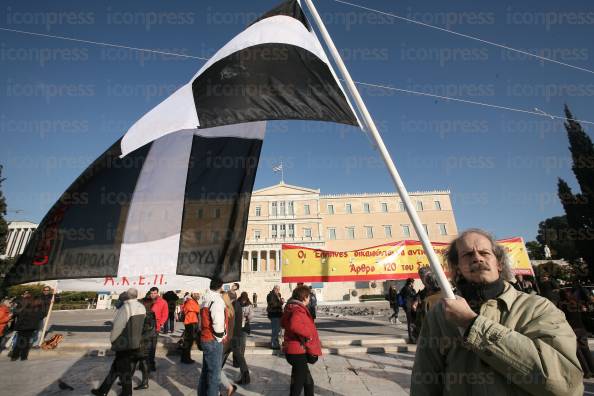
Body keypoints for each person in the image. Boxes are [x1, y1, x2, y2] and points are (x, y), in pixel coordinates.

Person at [411, 228, 583, 396]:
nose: (477, 258)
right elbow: (425, 381)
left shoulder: (537, 308)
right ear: (457, 268)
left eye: (485, 253)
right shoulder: (440, 314)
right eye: (468, 255)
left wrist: (472, 324)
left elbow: (565, 383)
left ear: (499, 264)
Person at [92, 289, 146, 396]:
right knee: (116, 368)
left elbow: (118, 327)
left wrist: (113, 340)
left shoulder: (125, 307)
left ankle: (127, 394)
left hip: (124, 344)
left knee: (124, 370)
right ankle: (103, 390)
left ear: (127, 295)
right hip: (135, 342)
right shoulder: (142, 307)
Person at [281, 285, 322, 396]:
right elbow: (295, 325)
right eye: (309, 296)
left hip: (295, 350)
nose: (309, 299)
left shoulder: (292, 307)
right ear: (304, 297)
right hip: (297, 351)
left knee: (308, 382)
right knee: (298, 385)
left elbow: (285, 323)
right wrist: (309, 334)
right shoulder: (298, 310)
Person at [198, 279, 227, 396]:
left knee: (205, 373)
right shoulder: (217, 300)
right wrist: (220, 337)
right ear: (220, 287)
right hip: (213, 339)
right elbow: (218, 322)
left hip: (205, 337)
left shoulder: (204, 298)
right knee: (214, 376)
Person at [559, 289, 594, 378]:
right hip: (581, 329)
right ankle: (592, 369)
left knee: (578, 352)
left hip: (572, 330)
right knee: (586, 350)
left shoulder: (562, 305)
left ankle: (587, 372)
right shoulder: (577, 303)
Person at [131, 296, 156, 390]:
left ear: (147, 303)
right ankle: (127, 380)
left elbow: (148, 329)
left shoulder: (148, 313)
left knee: (140, 361)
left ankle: (144, 382)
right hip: (143, 340)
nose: (141, 304)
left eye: (143, 302)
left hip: (144, 341)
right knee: (136, 360)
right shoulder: (147, 312)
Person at [232, 291, 253, 385]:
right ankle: (243, 373)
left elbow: (251, 315)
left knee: (240, 348)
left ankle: (245, 376)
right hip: (236, 329)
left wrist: (247, 317)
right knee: (238, 350)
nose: (244, 301)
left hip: (242, 328)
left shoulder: (247, 304)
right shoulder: (237, 304)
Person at [148, 287, 168, 371]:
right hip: (146, 327)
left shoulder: (163, 302)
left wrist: (160, 323)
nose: (153, 295)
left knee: (152, 347)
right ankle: (145, 364)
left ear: (157, 293)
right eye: (151, 293)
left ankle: (151, 364)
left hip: (155, 327)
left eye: (154, 293)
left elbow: (165, 315)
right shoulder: (147, 302)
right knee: (145, 347)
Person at [181, 292, 200, 364]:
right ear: (192, 294)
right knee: (188, 341)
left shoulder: (192, 301)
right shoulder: (190, 301)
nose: (198, 296)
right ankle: (186, 358)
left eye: (198, 294)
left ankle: (185, 358)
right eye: (196, 294)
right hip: (190, 322)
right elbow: (197, 309)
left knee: (189, 341)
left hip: (192, 321)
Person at [399, 278, 417, 343]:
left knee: (412, 321)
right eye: (413, 283)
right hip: (408, 307)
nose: (413, 284)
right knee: (410, 322)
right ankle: (411, 338)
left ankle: (413, 337)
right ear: (410, 283)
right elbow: (413, 295)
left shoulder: (407, 288)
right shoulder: (407, 289)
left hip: (409, 306)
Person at [266, 285, 284, 349]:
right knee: (275, 330)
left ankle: (276, 343)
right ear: (274, 289)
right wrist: (280, 302)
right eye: (277, 289)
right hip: (273, 314)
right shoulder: (270, 295)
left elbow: (278, 303)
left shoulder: (278, 295)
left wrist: (281, 302)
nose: (278, 290)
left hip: (278, 314)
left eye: (279, 289)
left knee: (278, 330)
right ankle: (273, 344)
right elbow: (272, 304)